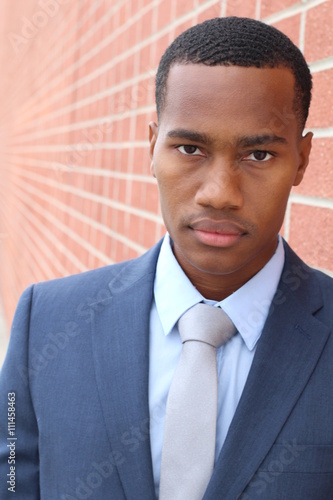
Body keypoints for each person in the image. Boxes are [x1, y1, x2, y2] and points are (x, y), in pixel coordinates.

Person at [1, 16, 332, 500]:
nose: (220, 194)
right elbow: (12, 480)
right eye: (190, 147)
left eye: (258, 155)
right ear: (151, 146)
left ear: (302, 160)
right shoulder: (45, 322)